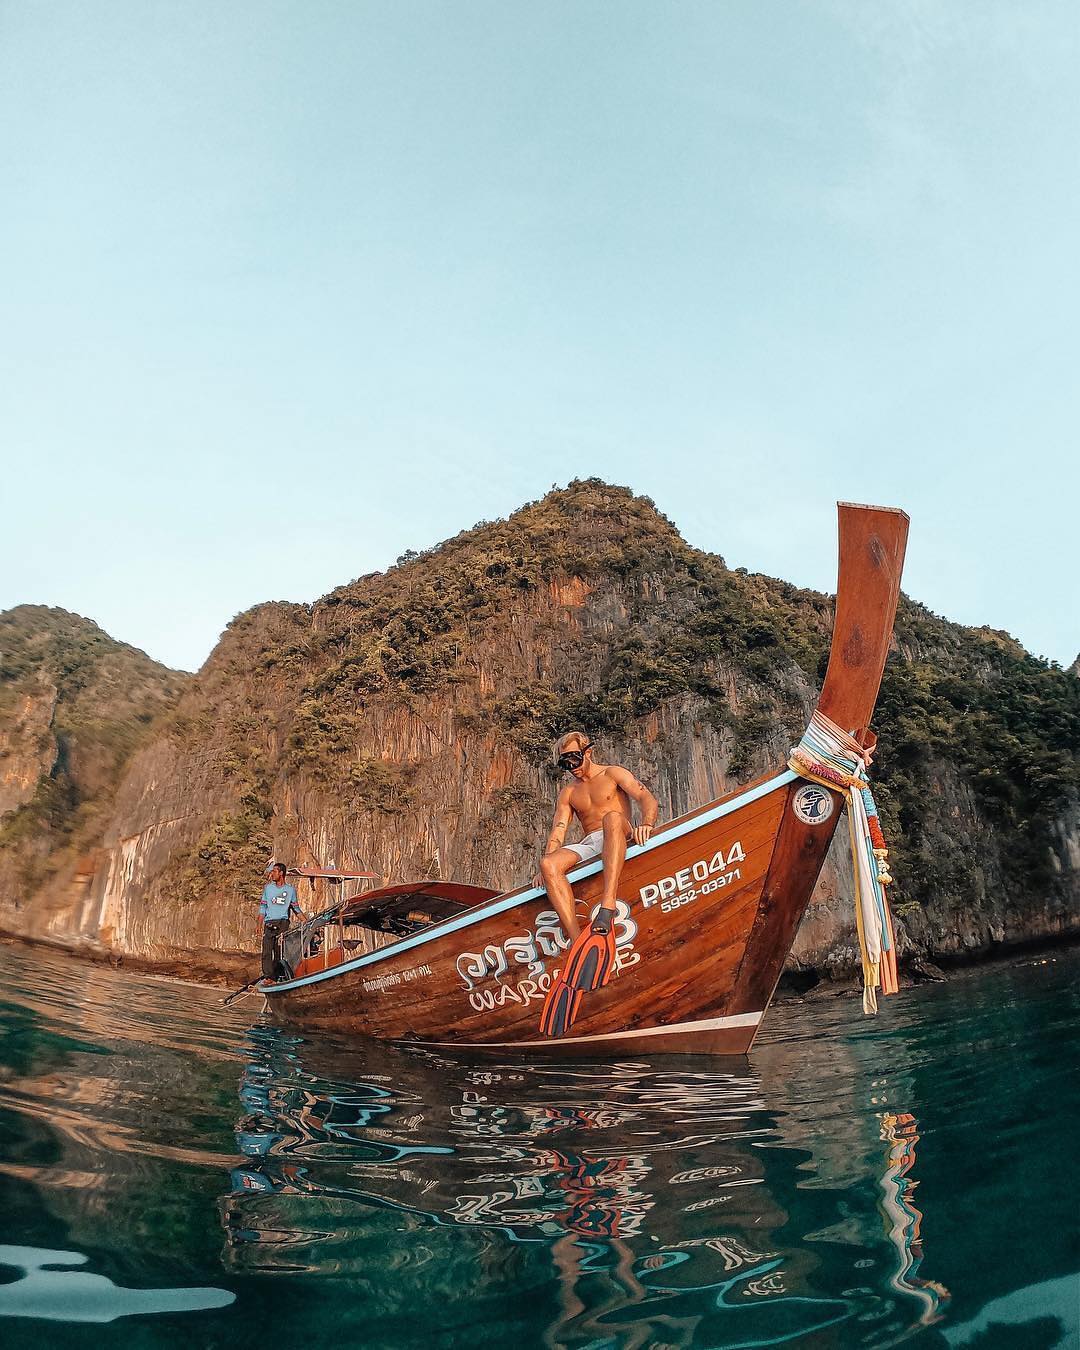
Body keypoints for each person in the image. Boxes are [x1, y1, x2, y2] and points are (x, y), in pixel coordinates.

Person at [536, 732, 659, 942]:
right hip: (591, 841)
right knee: (548, 864)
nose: (572, 766)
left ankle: (607, 905)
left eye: (574, 758)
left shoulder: (612, 774)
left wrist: (647, 824)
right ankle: (577, 940)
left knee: (611, 818)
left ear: (588, 752)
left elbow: (645, 797)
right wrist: (544, 871)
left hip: (619, 832)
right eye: (565, 763)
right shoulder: (568, 792)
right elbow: (559, 829)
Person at [258, 862, 306, 980]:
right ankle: (269, 977)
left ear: (281, 873)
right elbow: (263, 908)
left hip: (283, 923)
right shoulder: (268, 889)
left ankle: (279, 975)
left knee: (280, 952)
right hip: (269, 923)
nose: (272, 874)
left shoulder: (290, 890)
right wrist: (259, 924)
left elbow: (296, 908)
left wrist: (306, 921)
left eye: (274, 871)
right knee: (266, 952)